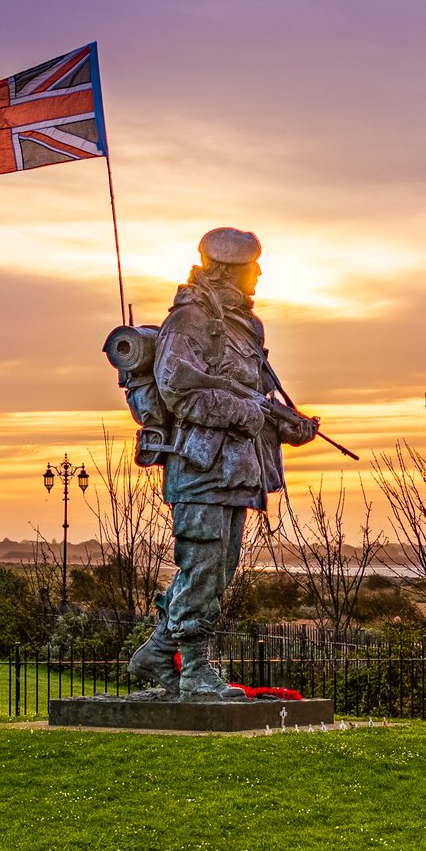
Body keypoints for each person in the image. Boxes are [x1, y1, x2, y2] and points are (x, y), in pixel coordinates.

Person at [128, 227, 319, 700]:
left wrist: (285, 424)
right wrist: (248, 414)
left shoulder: (244, 327)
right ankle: (193, 671)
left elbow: (255, 399)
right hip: (200, 468)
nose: (259, 273)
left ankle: (157, 652)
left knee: (216, 569)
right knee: (204, 566)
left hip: (236, 471)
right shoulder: (190, 319)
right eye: (253, 265)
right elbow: (178, 390)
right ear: (231, 269)